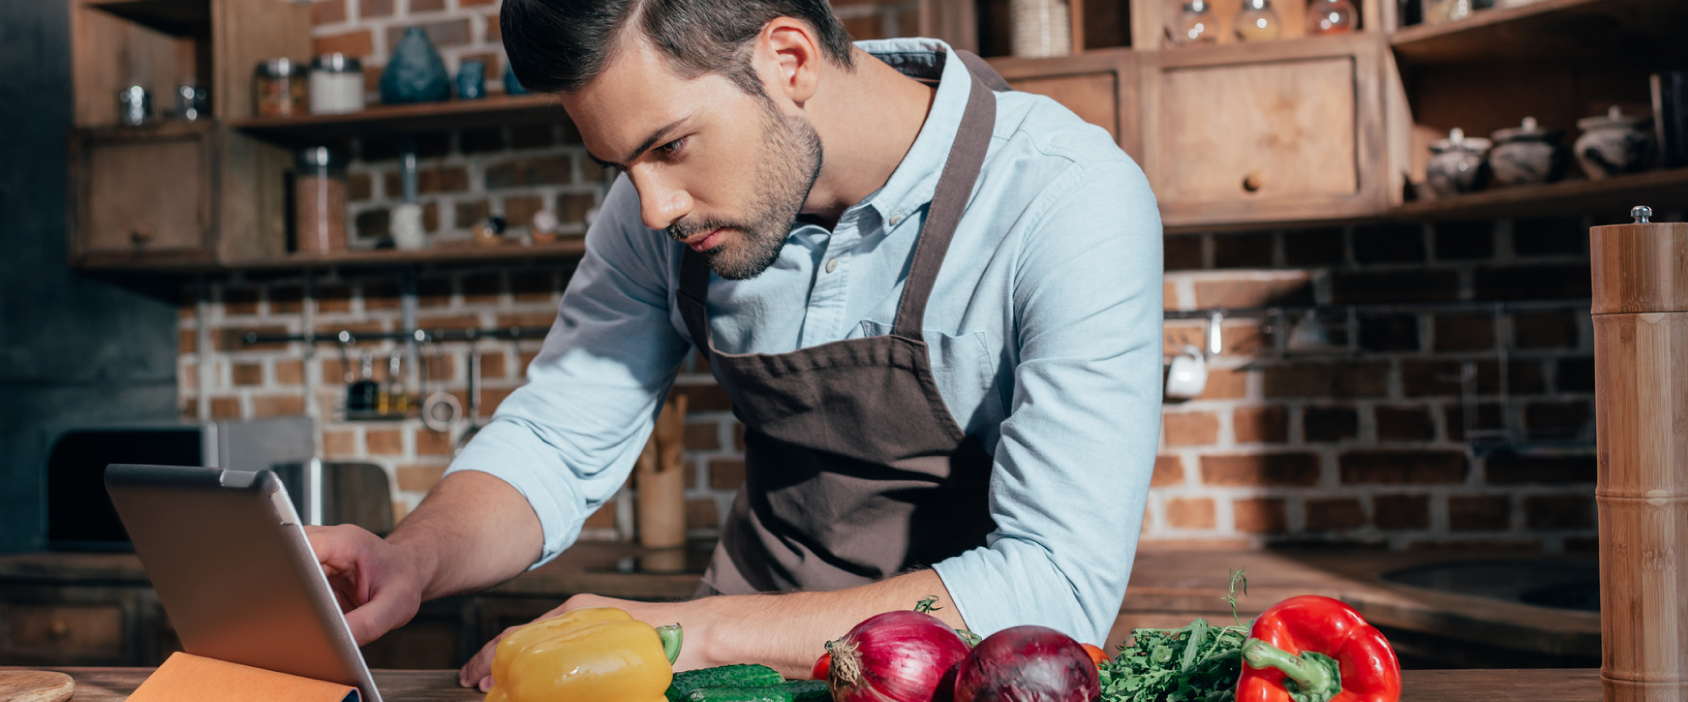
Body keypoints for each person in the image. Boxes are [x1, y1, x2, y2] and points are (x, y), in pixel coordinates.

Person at [303, 0, 1165, 687]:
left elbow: (1054, 584)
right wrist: (411, 557)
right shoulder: (664, 212)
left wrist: (688, 633)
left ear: (787, 61)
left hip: (946, 680)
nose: (651, 209)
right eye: (622, 167)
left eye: (669, 146)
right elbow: (555, 441)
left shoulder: (1064, 200)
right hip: (731, 674)